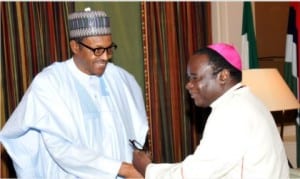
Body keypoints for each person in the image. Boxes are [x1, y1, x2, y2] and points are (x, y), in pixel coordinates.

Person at [0, 7, 148, 178]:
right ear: (75, 46)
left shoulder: (121, 79)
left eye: (109, 49)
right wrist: (122, 168)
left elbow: (136, 134)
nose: (105, 57)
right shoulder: (50, 84)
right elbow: (62, 149)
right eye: (97, 50)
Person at [133, 43, 289, 178]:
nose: (189, 85)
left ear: (223, 76)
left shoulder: (231, 113)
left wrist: (147, 169)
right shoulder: (248, 102)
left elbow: (195, 174)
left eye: (195, 77)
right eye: (189, 78)